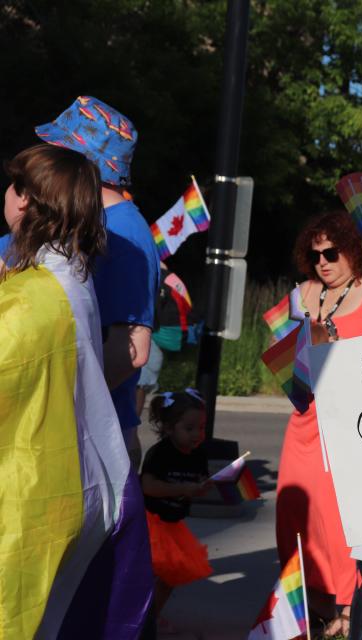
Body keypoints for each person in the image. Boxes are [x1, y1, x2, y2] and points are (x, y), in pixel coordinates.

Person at [0, 144, 152, 638]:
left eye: (15, 183)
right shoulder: (72, 274)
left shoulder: (33, 298)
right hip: (72, 484)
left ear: (26, 201)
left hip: (33, 496)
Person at [273, 211, 362, 638]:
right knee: (296, 514)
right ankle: (313, 609)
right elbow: (281, 353)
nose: (323, 261)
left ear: (353, 250)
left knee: (341, 520)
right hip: (304, 417)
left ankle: (349, 609)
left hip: (352, 423)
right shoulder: (303, 293)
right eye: (315, 253)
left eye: (332, 252)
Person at [36, 95, 161, 466]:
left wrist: (57, 408)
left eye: (56, 153)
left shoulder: (125, 232)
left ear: (81, 164)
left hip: (91, 440)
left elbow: (131, 350)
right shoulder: (86, 221)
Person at [141, 389, 213, 623]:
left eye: (201, 428)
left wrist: (203, 488)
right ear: (170, 428)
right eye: (189, 428)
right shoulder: (160, 453)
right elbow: (148, 486)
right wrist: (182, 489)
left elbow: (197, 484)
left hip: (173, 523)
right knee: (150, 574)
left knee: (170, 576)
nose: (197, 434)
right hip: (151, 522)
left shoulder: (198, 454)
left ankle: (152, 616)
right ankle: (140, 617)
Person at [136, 263, 195, 416]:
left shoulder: (156, 277)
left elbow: (152, 312)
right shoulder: (170, 276)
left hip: (162, 333)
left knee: (140, 382)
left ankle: (133, 420)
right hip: (175, 331)